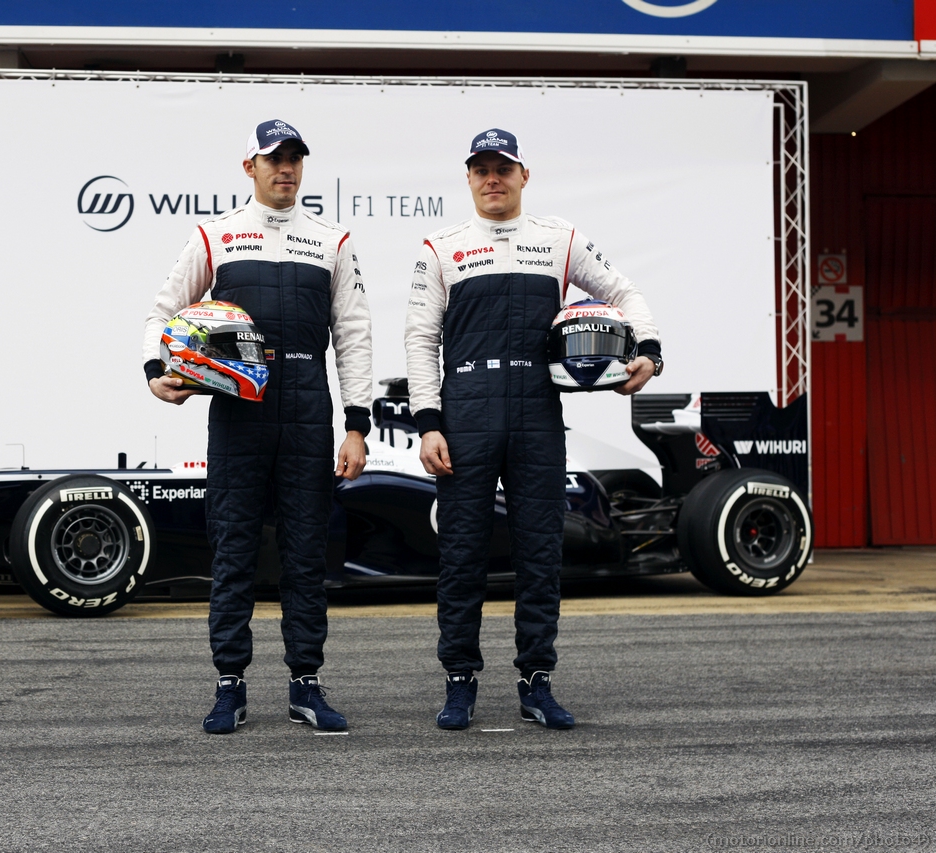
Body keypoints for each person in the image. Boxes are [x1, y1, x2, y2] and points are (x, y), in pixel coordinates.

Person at [403, 128, 663, 731]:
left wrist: (647, 349)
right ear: (468, 178)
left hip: (538, 410)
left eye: (504, 168)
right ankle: (460, 680)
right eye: (481, 169)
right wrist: (428, 423)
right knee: (463, 552)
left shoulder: (560, 240)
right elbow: (419, 340)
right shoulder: (440, 248)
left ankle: (536, 681)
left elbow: (624, 291)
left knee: (541, 552)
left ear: (524, 176)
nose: (492, 179)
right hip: (466, 410)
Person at [143, 119, 373, 734]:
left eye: (295, 159)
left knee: (304, 555)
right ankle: (230, 685)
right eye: (273, 159)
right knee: (234, 550)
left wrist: (356, 425)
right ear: (249, 167)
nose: (286, 169)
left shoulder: (332, 239)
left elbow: (352, 336)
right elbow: (164, 312)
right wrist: (156, 371)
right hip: (237, 410)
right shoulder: (214, 236)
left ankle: (306, 684)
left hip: (305, 406)